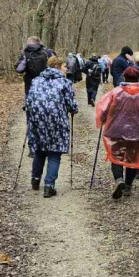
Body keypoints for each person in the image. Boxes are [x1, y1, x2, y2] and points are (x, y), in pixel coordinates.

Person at [95, 67, 139, 199]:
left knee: (116, 157)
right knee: (133, 158)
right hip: (137, 132)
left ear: (124, 78)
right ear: (138, 78)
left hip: (116, 131)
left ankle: (119, 180)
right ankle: (128, 186)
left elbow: (103, 109)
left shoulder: (115, 92)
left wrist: (102, 121)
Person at [25, 55, 78, 197]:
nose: (66, 68)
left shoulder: (36, 81)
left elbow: (28, 102)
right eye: (64, 66)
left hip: (37, 120)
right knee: (54, 153)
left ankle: (35, 180)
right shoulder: (64, 82)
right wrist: (73, 110)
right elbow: (71, 104)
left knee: (40, 150)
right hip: (57, 121)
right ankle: (49, 186)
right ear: (57, 66)